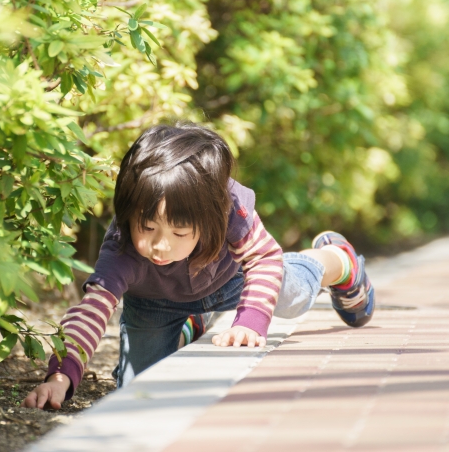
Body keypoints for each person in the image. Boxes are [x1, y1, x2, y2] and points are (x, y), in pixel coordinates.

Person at [23, 121, 375, 410]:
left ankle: (335, 259)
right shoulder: (124, 249)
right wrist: (60, 377)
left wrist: (251, 322)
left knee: (290, 297)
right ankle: (190, 324)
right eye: (147, 227)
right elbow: (93, 309)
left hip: (233, 277)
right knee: (138, 390)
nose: (160, 244)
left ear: (208, 220)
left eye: (179, 232)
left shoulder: (228, 209)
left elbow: (263, 259)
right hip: (154, 304)